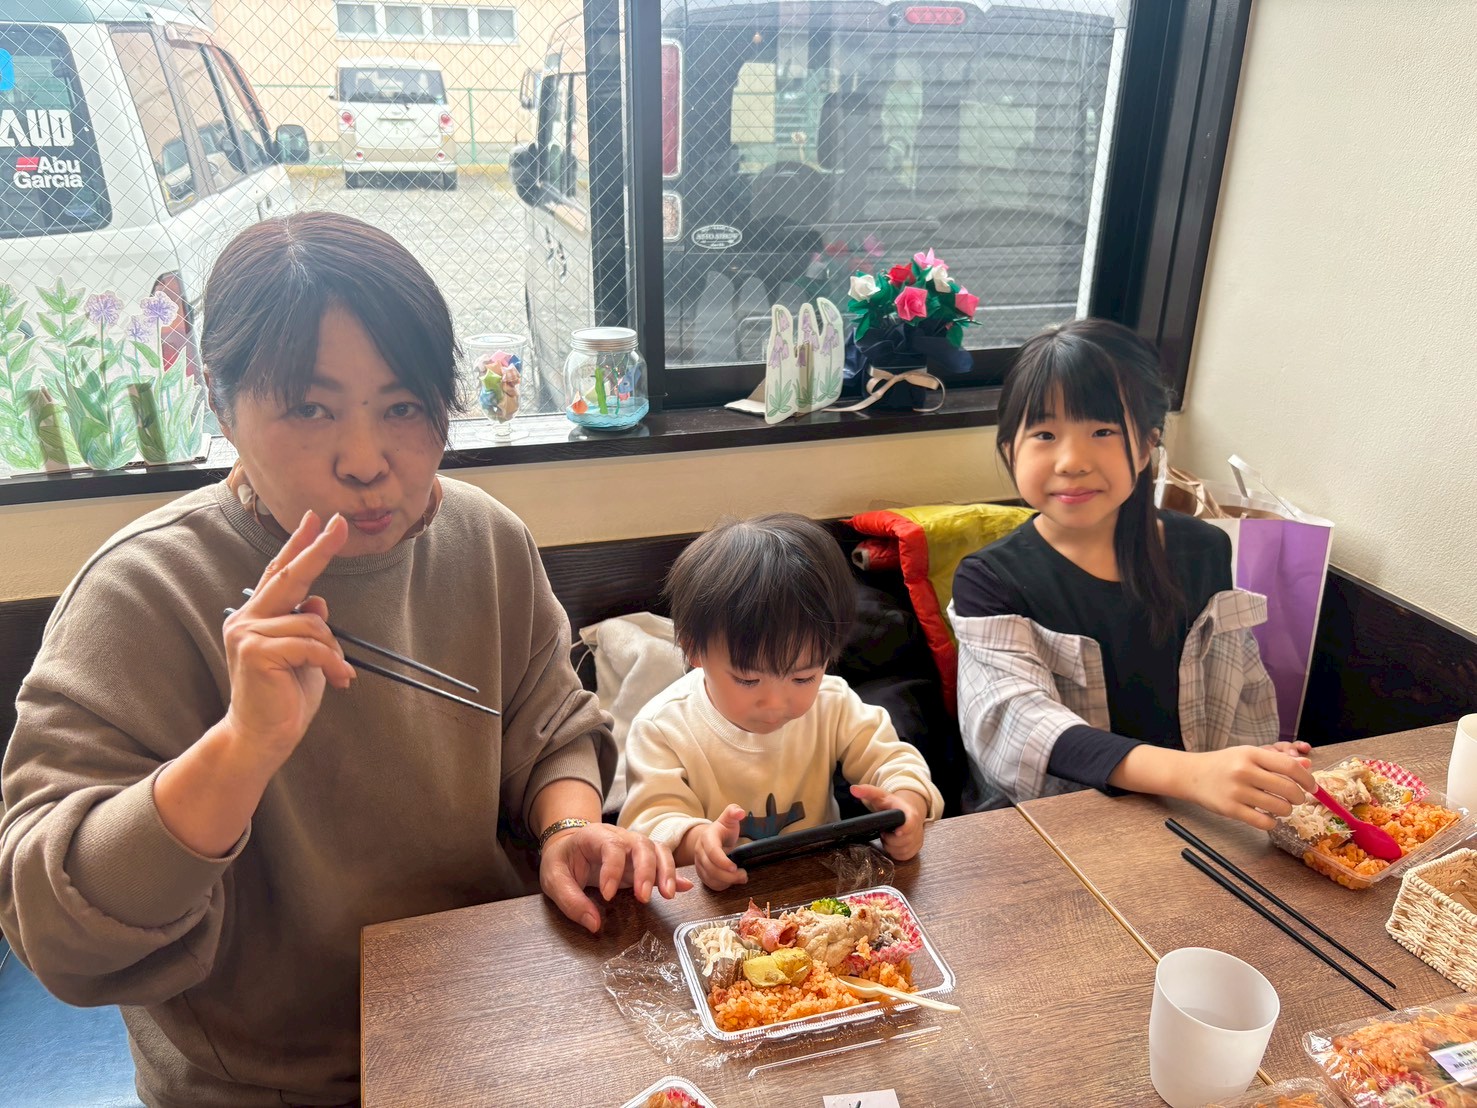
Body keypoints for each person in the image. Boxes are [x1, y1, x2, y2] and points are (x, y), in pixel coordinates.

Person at [0, 212, 686, 1108]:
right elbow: (57, 927)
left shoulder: (484, 540)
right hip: (278, 1080)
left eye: (401, 406)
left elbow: (548, 722)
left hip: (496, 1008)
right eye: (309, 409)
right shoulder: (141, 592)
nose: (366, 462)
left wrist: (568, 831)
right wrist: (241, 748)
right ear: (221, 406)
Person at [950, 318, 1317, 826]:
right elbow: (1018, 724)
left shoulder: (1203, 548)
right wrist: (1193, 775)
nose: (1071, 461)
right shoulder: (989, 579)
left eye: (1103, 431)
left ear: (1146, 446)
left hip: (1191, 814)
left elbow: (1237, 690)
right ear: (1010, 448)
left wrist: (1254, 764)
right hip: (1051, 826)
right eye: (1044, 434)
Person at [618, 513, 944, 891]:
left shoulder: (832, 702)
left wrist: (908, 804)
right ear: (695, 650)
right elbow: (652, 821)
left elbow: (892, 759)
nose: (775, 703)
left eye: (803, 677)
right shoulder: (663, 727)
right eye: (748, 679)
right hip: (717, 898)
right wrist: (698, 844)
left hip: (821, 884)